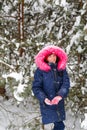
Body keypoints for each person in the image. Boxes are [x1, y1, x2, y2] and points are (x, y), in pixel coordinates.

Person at [32, 45, 70, 130]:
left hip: (59, 103)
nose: (53, 58)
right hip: (47, 103)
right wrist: (44, 98)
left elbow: (66, 84)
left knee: (60, 125)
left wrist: (60, 95)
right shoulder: (40, 71)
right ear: (46, 58)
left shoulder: (62, 69)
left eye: (54, 56)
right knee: (60, 125)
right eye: (50, 56)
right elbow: (36, 87)